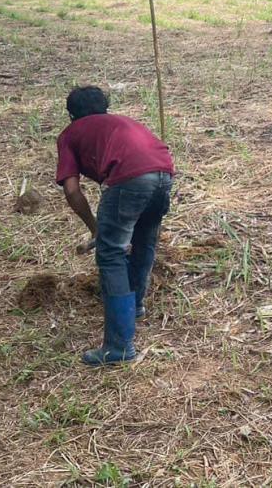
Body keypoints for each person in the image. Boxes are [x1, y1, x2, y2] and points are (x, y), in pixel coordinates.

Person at [56, 86, 174, 365]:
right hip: (164, 174)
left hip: (129, 180)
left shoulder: (70, 134)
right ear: (105, 107)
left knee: (111, 254)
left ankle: (119, 346)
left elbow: (72, 191)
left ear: (71, 114)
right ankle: (134, 305)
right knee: (144, 242)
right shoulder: (123, 122)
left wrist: (94, 227)